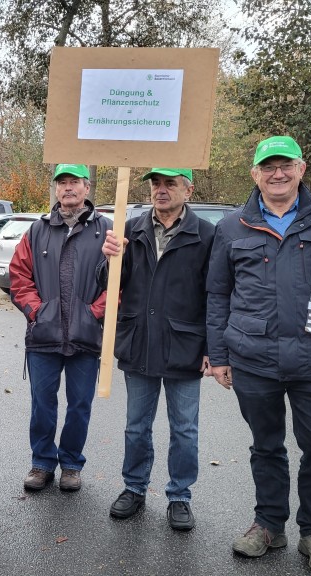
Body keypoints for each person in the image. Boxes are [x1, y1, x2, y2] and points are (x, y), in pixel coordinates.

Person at [207, 136, 311, 574]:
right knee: (266, 446)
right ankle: (269, 524)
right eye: (268, 167)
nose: (277, 174)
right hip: (254, 358)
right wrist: (219, 354)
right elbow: (217, 295)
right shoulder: (231, 227)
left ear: (302, 169)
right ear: (255, 175)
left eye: (286, 165)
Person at [99, 168, 213, 529]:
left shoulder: (206, 234)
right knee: (136, 426)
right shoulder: (129, 229)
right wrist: (109, 259)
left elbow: (215, 294)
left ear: (188, 189)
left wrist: (214, 347)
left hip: (185, 346)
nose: (161, 190)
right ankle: (134, 487)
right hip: (139, 342)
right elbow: (109, 285)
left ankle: (179, 496)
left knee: (184, 430)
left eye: (170, 183)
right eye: (155, 184)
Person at [9, 164, 110, 492]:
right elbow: (18, 276)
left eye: (75, 182)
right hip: (44, 335)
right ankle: (41, 462)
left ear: (87, 187)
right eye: (62, 182)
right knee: (43, 402)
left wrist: (95, 314)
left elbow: (122, 282)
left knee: (80, 404)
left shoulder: (106, 231)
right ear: (55, 189)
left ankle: (70, 463)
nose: (68, 188)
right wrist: (37, 311)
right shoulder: (37, 231)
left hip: (86, 335)